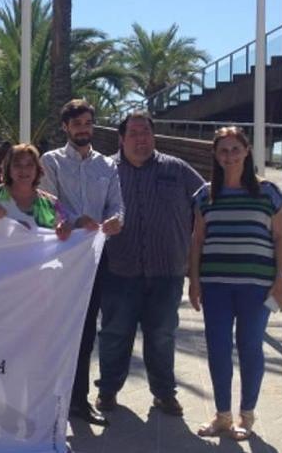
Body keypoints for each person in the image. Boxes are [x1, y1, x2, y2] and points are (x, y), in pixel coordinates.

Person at [95, 112, 203, 418]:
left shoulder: (177, 169)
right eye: (134, 133)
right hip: (118, 271)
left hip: (166, 272)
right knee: (115, 333)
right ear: (121, 138)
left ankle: (164, 394)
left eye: (146, 132)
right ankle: (107, 391)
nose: (141, 139)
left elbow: (206, 200)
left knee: (162, 336)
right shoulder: (105, 170)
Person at [188, 126, 282, 441]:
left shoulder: (268, 193)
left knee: (249, 348)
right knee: (218, 350)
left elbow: (280, 238)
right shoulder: (205, 195)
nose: (229, 156)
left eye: (235, 149)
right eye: (223, 151)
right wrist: (193, 280)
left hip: (256, 287)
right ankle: (222, 416)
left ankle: (247, 415)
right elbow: (198, 240)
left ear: (247, 151)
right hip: (215, 285)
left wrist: (280, 281)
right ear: (216, 156)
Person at [39, 99, 124, 426]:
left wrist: (117, 220)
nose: (83, 129)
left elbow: (118, 204)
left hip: (95, 259)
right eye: (76, 124)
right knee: (57, 332)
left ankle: (78, 401)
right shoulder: (51, 161)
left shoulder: (108, 166)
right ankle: (50, 401)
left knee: (87, 332)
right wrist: (76, 221)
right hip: (60, 260)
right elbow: (48, 207)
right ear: (66, 127)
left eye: (87, 123)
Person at [0, 143, 71, 239]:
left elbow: (67, 224)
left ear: (37, 169)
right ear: (8, 169)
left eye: (29, 165)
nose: (24, 170)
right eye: (17, 165)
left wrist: (65, 228)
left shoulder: (51, 204)